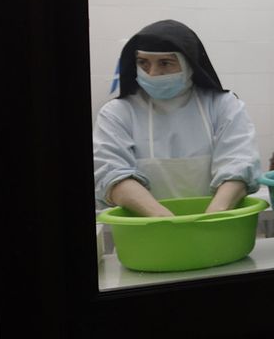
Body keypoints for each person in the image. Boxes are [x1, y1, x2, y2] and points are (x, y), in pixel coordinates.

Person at [93, 20, 262, 216]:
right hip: (144, 234)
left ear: (189, 64)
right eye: (143, 63)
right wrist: (163, 219)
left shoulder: (223, 106)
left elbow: (239, 165)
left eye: (165, 63)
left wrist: (212, 218)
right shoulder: (117, 113)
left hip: (214, 229)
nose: (153, 73)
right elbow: (111, 173)